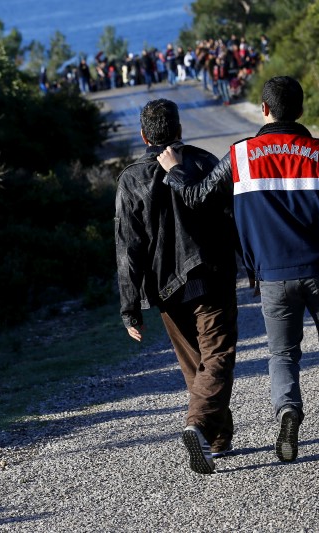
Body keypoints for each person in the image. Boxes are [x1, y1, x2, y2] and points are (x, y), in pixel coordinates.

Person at [158, 76, 319, 462]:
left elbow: (197, 198)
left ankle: (288, 409)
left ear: (264, 109)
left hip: (273, 277)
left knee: (282, 354)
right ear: (301, 109)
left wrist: (176, 169)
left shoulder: (240, 156)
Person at [115, 99, 240, 475]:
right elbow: (231, 217)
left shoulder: (131, 178)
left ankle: (216, 438)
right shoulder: (203, 162)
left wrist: (129, 305)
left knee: (195, 365)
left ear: (143, 135)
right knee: (216, 358)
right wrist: (248, 262)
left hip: (163, 289)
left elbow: (128, 246)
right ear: (179, 129)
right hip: (210, 276)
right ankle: (199, 427)